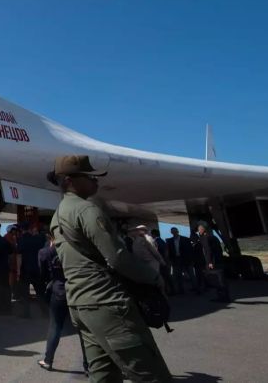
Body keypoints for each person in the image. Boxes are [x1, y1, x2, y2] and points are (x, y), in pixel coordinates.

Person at [48, 155, 171, 382]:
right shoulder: (87, 210)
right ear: (69, 180)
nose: (96, 181)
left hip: (79, 304)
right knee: (152, 375)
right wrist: (154, 276)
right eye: (90, 176)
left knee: (103, 375)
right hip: (107, 303)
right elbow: (118, 258)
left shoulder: (57, 216)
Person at [37, 236, 89, 373]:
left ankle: (48, 360)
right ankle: (88, 364)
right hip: (78, 290)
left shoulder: (45, 252)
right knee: (84, 329)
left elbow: (42, 275)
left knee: (55, 326)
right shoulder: (78, 248)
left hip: (58, 290)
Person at [192, 221, 231, 303]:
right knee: (221, 279)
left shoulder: (205, 238)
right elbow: (218, 250)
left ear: (203, 229)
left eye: (199, 229)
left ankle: (222, 297)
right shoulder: (214, 237)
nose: (198, 231)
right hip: (218, 261)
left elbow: (208, 250)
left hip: (213, 262)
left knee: (217, 280)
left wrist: (209, 262)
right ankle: (225, 296)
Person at [16, 223, 47, 317]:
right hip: (36, 268)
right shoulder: (37, 239)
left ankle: (26, 313)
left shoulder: (21, 240)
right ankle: (45, 312)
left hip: (25, 269)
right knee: (40, 292)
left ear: (22, 230)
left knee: (25, 293)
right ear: (29, 229)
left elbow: (19, 256)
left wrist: (18, 271)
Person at [166, 227, 195, 295]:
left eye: (175, 231)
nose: (174, 233)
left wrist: (192, 259)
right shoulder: (170, 241)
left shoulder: (185, 239)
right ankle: (181, 290)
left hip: (186, 259)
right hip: (176, 259)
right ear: (171, 233)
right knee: (178, 275)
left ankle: (196, 288)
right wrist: (170, 260)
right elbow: (169, 251)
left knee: (191, 274)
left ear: (178, 231)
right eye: (173, 231)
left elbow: (190, 250)